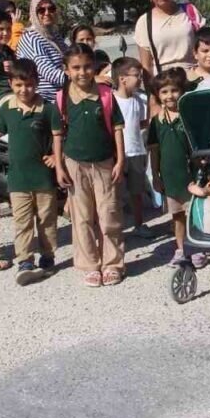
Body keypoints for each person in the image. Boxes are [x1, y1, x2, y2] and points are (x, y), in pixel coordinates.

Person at [53, 43, 126, 288]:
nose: (82, 72)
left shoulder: (105, 95)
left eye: (87, 67)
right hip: (75, 164)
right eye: (76, 68)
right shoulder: (62, 98)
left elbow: (117, 128)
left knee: (108, 214)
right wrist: (59, 166)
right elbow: (57, 134)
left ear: (94, 67)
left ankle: (112, 263)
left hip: (104, 162)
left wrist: (120, 159)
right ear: (66, 70)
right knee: (82, 217)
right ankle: (90, 265)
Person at [0, 59, 60, 286]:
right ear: (11, 84)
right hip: (18, 179)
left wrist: (56, 157)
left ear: (36, 83)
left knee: (46, 220)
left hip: (43, 178)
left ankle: (48, 255)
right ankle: (25, 261)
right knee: (22, 221)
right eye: (18, 85)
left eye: (28, 85)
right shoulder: (8, 109)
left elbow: (59, 135)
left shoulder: (48, 109)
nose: (24, 90)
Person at [147, 68, 207, 269]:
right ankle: (181, 249)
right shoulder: (156, 121)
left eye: (174, 90)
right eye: (164, 92)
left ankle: (197, 247)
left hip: (190, 175)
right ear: (158, 95)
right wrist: (155, 176)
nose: (169, 96)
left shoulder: (189, 117)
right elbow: (154, 150)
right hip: (169, 176)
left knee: (194, 214)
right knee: (177, 215)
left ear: (182, 91)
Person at [136, 0, 206, 76]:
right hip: (164, 82)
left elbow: (206, 46)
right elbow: (146, 66)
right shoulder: (144, 22)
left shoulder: (190, 11)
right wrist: (150, 87)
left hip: (194, 77)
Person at [111, 57, 152, 240]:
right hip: (118, 154)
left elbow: (142, 122)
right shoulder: (111, 100)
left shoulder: (141, 99)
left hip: (137, 151)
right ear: (122, 78)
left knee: (137, 192)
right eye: (136, 75)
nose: (140, 79)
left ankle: (139, 224)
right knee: (116, 194)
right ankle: (117, 229)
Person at [16, 0, 69, 102]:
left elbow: (70, 57)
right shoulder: (31, 37)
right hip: (45, 99)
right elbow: (49, 72)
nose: (47, 13)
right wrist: (84, 78)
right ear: (34, 13)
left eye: (51, 9)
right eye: (41, 10)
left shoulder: (54, 35)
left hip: (63, 92)